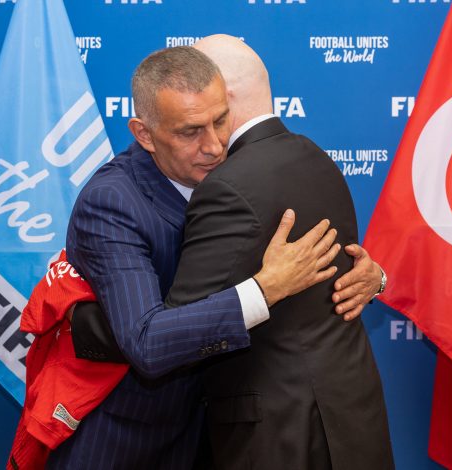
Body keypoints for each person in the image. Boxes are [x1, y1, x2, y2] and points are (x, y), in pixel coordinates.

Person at [46, 45, 383, 469]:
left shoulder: (248, 172)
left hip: (213, 436)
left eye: (220, 120)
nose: (214, 145)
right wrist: (265, 289)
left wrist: (371, 276)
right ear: (144, 133)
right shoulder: (112, 202)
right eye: (190, 131)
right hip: (130, 442)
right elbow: (147, 343)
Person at [165, 34, 394, 469]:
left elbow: (182, 331)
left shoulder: (227, 187)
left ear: (222, 95)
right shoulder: (318, 158)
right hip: (349, 414)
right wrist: (377, 279)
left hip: (280, 434)